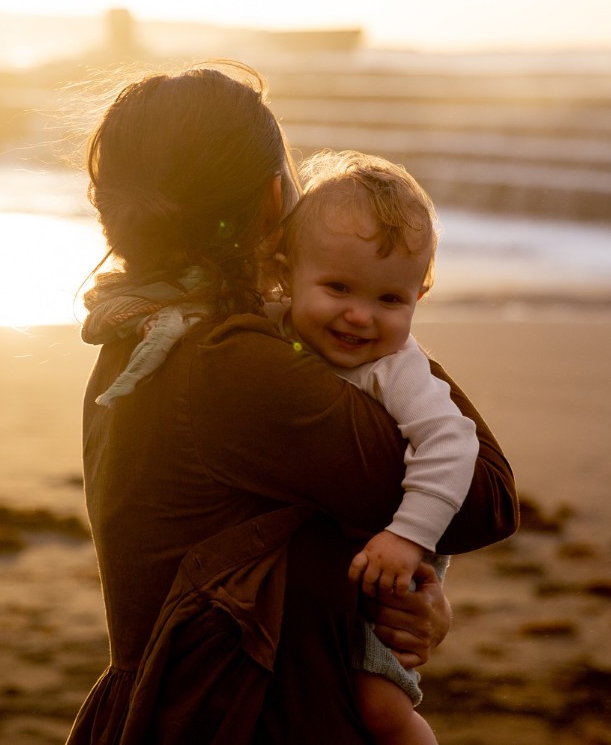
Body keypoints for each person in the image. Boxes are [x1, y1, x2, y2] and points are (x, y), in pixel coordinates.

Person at [66, 63, 518, 744]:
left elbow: (282, 533)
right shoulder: (230, 366)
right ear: (276, 202)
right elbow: (487, 494)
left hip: (180, 709)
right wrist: (390, 319)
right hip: (245, 721)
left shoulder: (148, 330)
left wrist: (392, 599)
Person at [269, 149, 474, 745]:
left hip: (395, 558)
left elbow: (452, 441)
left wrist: (409, 536)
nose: (360, 317)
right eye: (338, 287)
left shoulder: (395, 369)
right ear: (287, 275)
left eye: (391, 300)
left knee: (379, 708)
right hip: (335, 560)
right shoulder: (264, 332)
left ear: (419, 295)